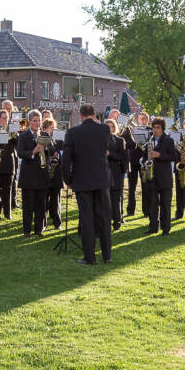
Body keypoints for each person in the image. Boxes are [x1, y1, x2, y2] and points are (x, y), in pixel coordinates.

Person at [61, 104, 113, 265]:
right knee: (104, 218)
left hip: (82, 180)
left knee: (87, 219)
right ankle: (107, 256)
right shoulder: (104, 129)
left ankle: (90, 257)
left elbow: (66, 159)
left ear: (80, 115)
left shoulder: (73, 132)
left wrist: (67, 180)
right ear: (94, 115)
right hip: (102, 179)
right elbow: (108, 147)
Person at [144, 118, 178, 235]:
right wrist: (144, 162)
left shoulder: (168, 140)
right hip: (152, 176)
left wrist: (159, 155)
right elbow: (145, 156)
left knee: (165, 204)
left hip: (164, 177)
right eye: (154, 127)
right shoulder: (149, 140)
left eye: (158, 127)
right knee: (152, 204)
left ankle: (166, 228)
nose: (155, 129)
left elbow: (174, 157)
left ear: (163, 129)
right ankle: (153, 227)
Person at [17, 110, 48, 236]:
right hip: (29, 176)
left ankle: (39, 230)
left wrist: (50, 149)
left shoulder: (45, 134)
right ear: (29, 122)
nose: (37, 123)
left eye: (39, 120)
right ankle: (27, 230)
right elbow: (20, 153)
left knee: (41, 205)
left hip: (42, 174)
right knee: (28, 205)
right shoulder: (23, 136)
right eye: (34, 120)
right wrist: (33, 151)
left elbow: (50, 150)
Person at [0, 110, 17, 220]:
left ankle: (7, 213)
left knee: (8, 189)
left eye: (7, 118)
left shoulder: (12, 128)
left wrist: (15, 133)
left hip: (9, 162)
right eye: (4, 118)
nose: (6, 120)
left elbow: (17, 144)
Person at [126, 112, 151, 217]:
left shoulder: (151, 131)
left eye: (145, 118)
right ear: (138, 120)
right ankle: (130, 211)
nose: (142, 120)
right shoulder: (130, 130)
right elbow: (127, 144)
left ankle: (146, 211)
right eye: (141, 118)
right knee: (132, 187)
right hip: (133, 160)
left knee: (145, 186)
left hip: (144, 161)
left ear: (148, 120)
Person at [105, 118, 128, 231]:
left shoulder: (120, 140)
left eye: (111, 127)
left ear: (115, 128)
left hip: (115, 174)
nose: (109, 129)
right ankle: (105, 224)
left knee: (116, 200)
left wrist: (110, 154)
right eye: (107, 127)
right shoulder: (100, 140)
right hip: (102, 174)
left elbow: (122, 158)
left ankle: (117, 223)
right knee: (104, 201)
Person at [41, 118, 63, 230]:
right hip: (45, 173)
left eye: (53, 127)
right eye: (50, 127)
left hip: (57, 173)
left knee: (56, 201)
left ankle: (57, 223)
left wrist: (57, 154)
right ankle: (43, 224)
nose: (52, 129)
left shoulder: (59, 139)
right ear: (44, 129)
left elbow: (63, 153)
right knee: (44, 201)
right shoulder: (42, 139)